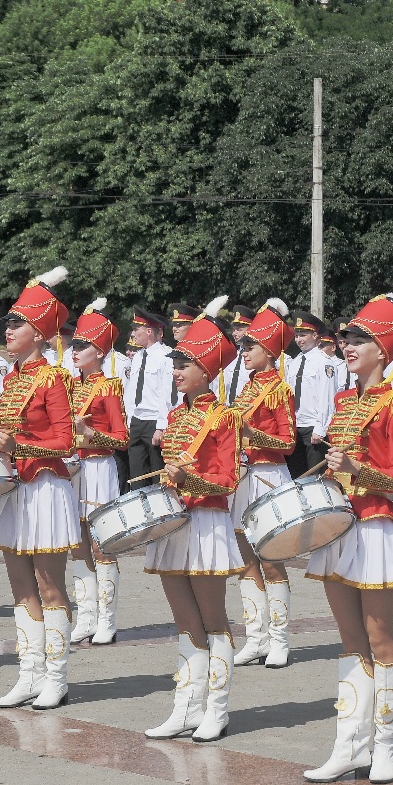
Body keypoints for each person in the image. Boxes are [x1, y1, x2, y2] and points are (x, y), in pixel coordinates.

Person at [304, 293, 393, 785]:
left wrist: (355, 468)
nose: (348, 346)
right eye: (347, 338)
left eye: (361, 339)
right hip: (339, 526)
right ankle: (349, 745)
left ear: (383, 350)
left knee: (379, 637)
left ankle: (385, 746)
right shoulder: (343, 401)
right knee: (351, 642)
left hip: (374, 526)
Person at [143, 296, 243, 742]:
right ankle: (186, 707)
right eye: (175, 364)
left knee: (213, 619)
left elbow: (228, 479)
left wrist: (190, 478)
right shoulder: (174, 415)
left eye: (185, 364)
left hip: (206, 522)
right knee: (185, 620)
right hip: (175, 521)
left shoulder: (224, 417)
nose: (177, 371)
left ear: (207, 370)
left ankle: (216, 710)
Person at [0, 269, 81, 710]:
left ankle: (56, 678)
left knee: (49, 586)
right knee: (21, 587)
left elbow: (65, 442)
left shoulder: (54, 378)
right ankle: (29, 674)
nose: (8, 332)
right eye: (7, 325)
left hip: (45, 486)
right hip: (14, 487)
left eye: (17, 325)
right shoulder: (10, 380)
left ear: (39, 334)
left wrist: (18, 446)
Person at [228, 298, 297, 669]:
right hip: (243, 477)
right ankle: (255, 638)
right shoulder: (246, 389)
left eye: (250, 347)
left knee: (271, 561)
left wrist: (253, 434)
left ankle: (279, 640)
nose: (244, 352)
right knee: (245, 561)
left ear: (269, 351)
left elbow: (288, 443)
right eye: (243, 346)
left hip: (269, 476)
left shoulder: (278, 390)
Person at [66, 297, 129, 646]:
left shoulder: (109, 386)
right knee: (77, 545)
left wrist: (89, 433)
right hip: (73, 469)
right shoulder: (70, 386)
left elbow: (122, 438)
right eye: (74, 345)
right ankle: (86, 616)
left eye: (82, 346)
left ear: (100, 352)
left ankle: (108, 619)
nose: (75, 351)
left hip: (99, 467)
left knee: (101, 544)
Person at [286, 311, 338, 480]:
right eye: (297, 335)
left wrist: (321, 428)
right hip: (296, 426)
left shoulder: (324, 362)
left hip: (313, 427)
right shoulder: (295, 362)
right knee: (297, 477)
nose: (299, 340)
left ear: (315, 335)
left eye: (303, 335)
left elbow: (327, 397)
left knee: (315, 478)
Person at [123, 308, 173, 480]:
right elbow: (132, 392)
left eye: (136, 329)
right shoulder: (138, 357)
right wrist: (129, 421)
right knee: (137, 476)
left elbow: (167, 395)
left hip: (153, 421)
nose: (133, 334)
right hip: (137, 421)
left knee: (157, 474)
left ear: (149, 331)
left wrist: (161, 426)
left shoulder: (166, 356)